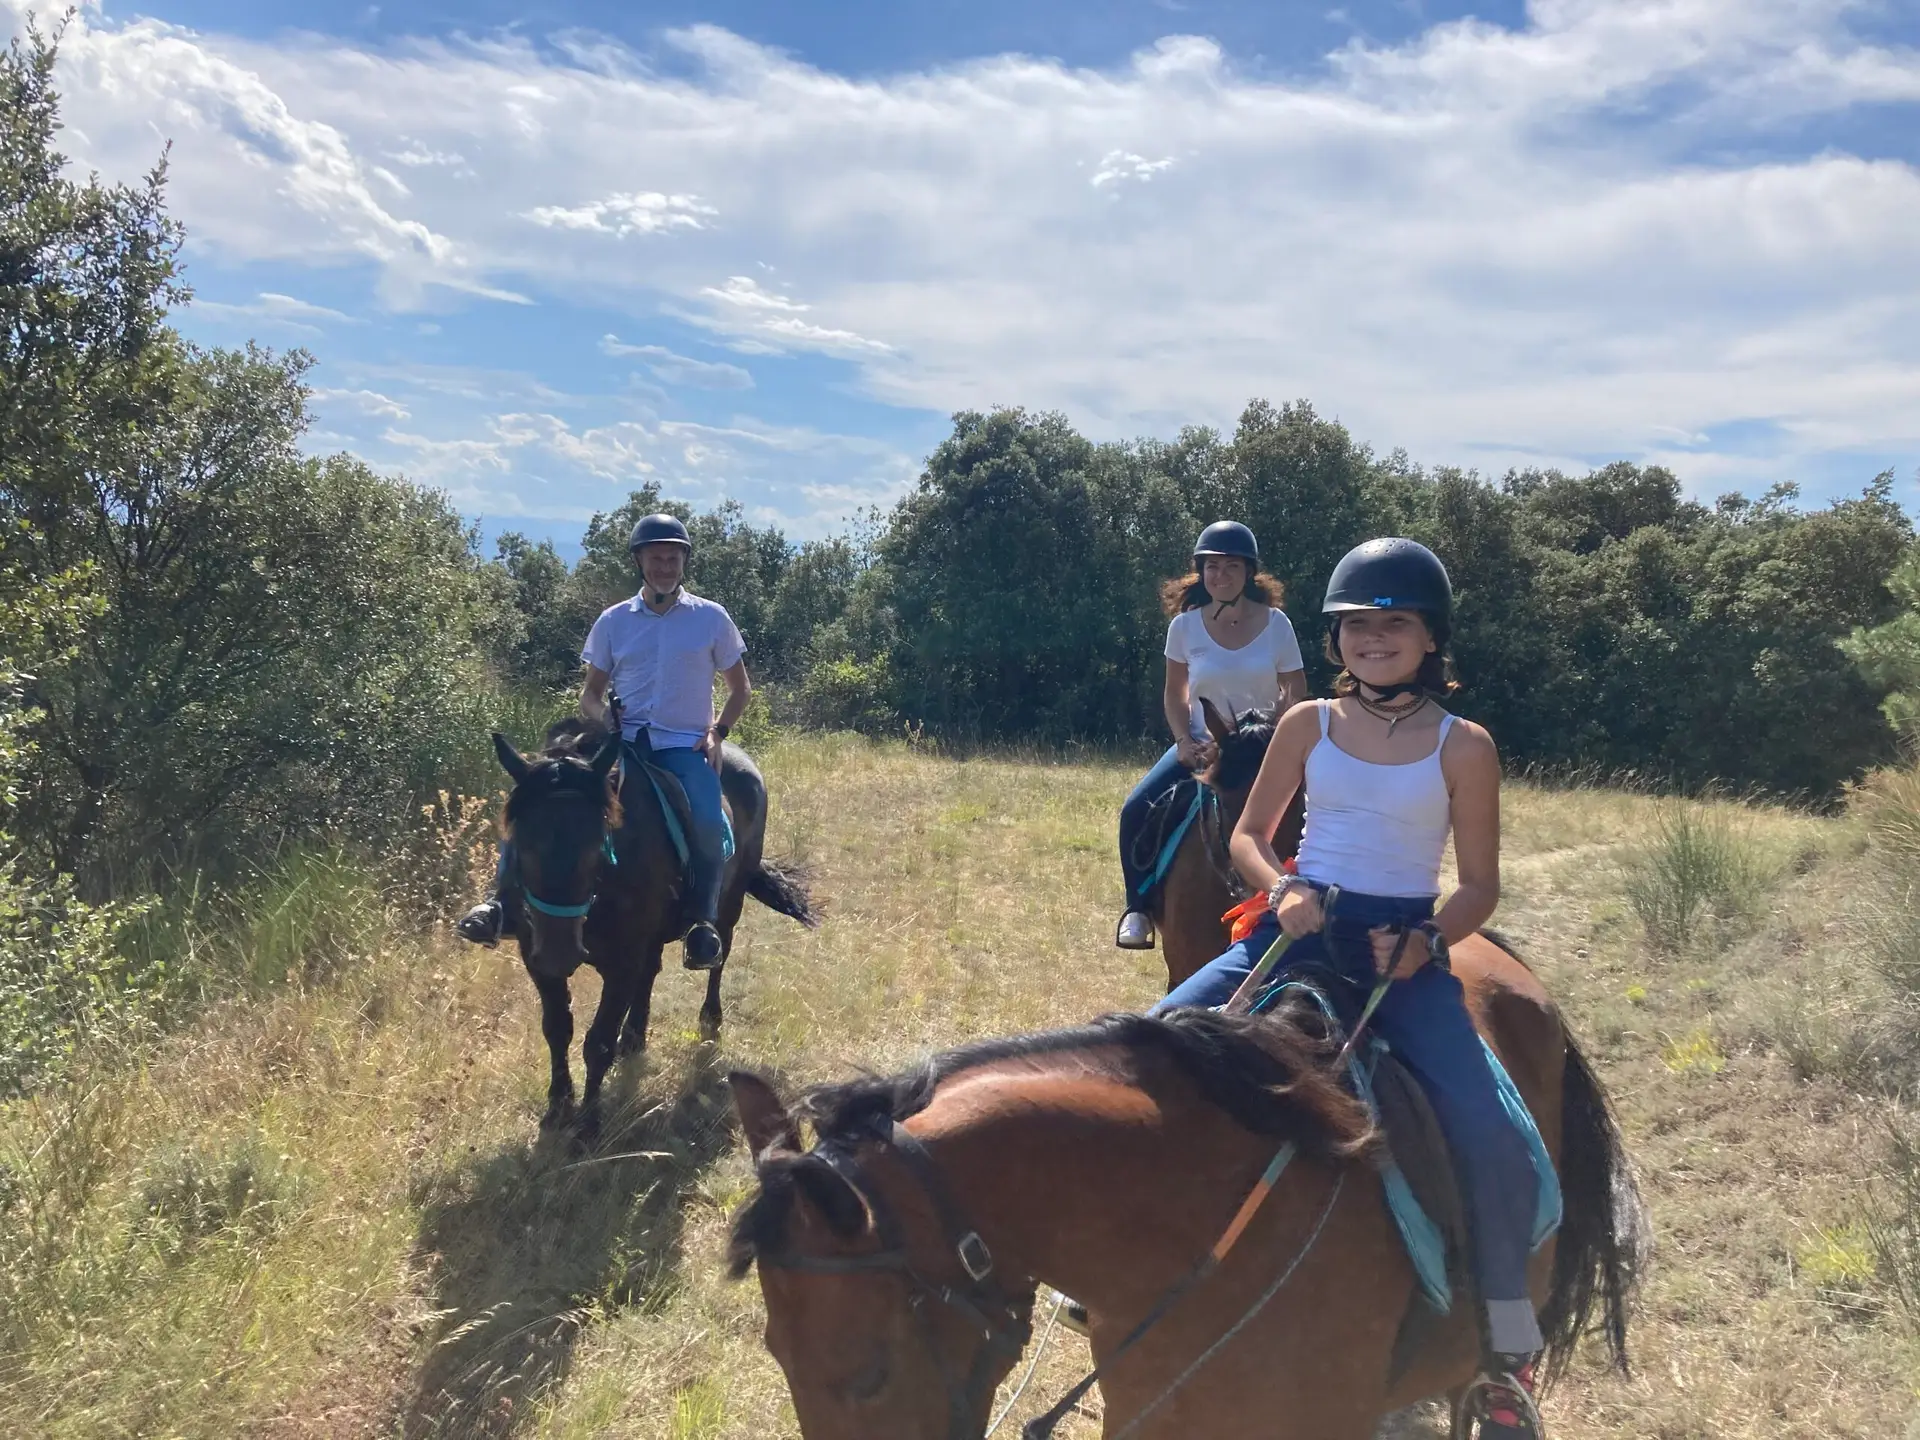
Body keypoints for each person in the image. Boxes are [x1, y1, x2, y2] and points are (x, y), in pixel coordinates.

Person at [1153, 537, 1544, 1439]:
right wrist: (1279, 887)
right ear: (1336, 640)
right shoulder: (1309, 724)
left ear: (1428, 637)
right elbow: (1252, 835)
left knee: (1490, 1131)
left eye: (1393, 624)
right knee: (1155, 1036)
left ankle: (1504, 1351)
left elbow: (1480, 886)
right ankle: (1140, 1270)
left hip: (1399, 949)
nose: (1373, 640)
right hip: (1299, 931)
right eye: (1358, 626)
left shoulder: (1465, 746)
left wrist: (1426, 941)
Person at [458, 513, 751, 970]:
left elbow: (740, 689)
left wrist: (718, 732)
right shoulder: (614, 621)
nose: (665, 567)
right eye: (656, 558)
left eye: (673, 558)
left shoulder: (711, 619)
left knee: (711, 822)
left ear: (684, 562)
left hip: (683, 747)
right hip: (621, 745)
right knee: (539, 797)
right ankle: (499, 905)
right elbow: (591, 693)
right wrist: (601, 723)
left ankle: (701, 923)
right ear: (639, 561)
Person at [1115, 521, 1306, 950]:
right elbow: (1174, 693)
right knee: (1134, 809)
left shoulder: (1277, 625)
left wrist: (1284, 731)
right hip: (1204, 746)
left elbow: (1295, 686)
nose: (1220, 576)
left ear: (1248, 572)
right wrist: (1183, 741)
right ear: (1200, 572)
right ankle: (1139, 909)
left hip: (1266, 748)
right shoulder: (1185, 627)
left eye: (1231, 567)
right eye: (1212, 567)